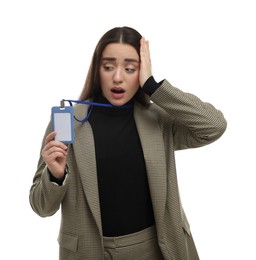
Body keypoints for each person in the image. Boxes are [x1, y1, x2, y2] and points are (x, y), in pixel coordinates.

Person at [29, 26, 227, 260]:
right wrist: (55, 176)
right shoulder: (67, 121)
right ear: (97, 70)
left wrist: (153, 86)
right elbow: (41, 207)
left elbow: (213, 126)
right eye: (108, 67)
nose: (118, 77)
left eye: (130, 68)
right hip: (89, 251)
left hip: (155, 248)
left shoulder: (158, 120)